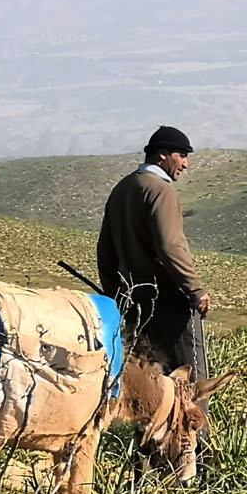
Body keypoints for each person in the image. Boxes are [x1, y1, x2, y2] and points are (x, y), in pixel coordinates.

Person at [96, 125, 211, 380]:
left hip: (137, 304)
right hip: (171, 304)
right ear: (163, 155)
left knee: (149, 380)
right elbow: (171, 245)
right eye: (182, 155)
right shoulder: (160, 190)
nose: (186, 164)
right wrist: (195, 289)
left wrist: (115, 296)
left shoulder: (123, 188)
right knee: (192, 383)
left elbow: (105, 250)